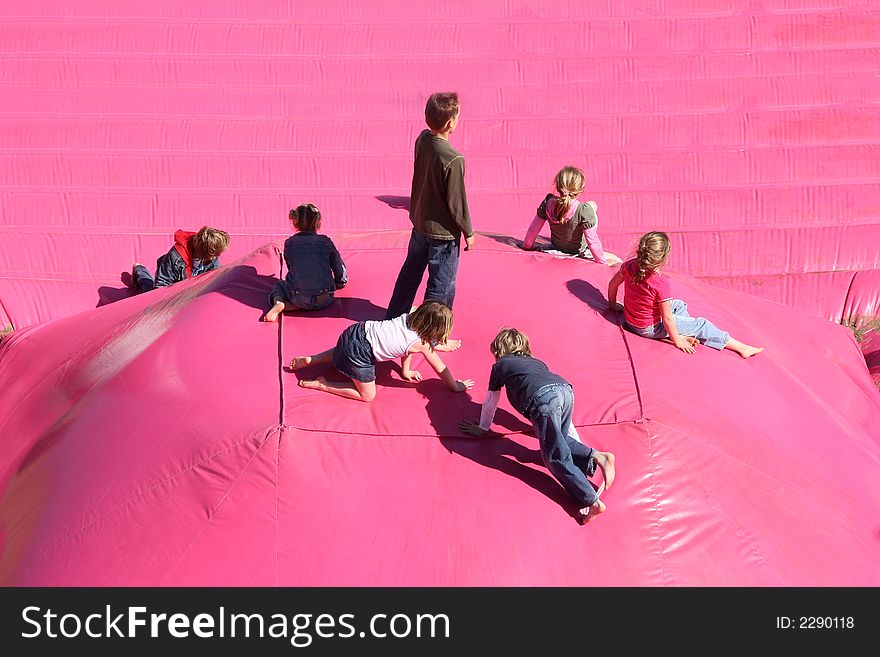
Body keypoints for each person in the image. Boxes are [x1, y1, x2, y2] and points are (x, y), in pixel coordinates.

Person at [459, 328, 616, 525]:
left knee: (553, 456)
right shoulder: (536, 362)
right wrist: (578, 443)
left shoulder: (500, 365)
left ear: (499, 350)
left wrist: (483, 428)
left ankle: (590, 499)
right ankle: (597, 456)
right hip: (565, 390)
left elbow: (491, 400)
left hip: (544, 400)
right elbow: (559, 418)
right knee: (558, 438)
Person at [385, 91, 475, 319]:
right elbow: (457, 202)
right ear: (450, 123)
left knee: (411, 272)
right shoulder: (454, 159)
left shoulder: (423, 139)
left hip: (420, 223)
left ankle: (394, 316)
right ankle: (432, 334)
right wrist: (468, 231)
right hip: (443, 234)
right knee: (441, 285)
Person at [607, 231, 764, 358]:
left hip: (630, 320)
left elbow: (612, 285)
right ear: (663, 259)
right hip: (648, 328)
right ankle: (741, 348)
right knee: (702, 324)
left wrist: (613, 305)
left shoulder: (628, 266)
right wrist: (677, 341)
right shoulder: (660, 283)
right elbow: (667, 319)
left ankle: (684, 331)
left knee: (679, 305)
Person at [291, 300, 474, 402]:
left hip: (356, 331)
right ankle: (321, 384)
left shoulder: (412, 313)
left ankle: (313, 359)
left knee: (345, 350)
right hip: (359, 352)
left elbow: (406, 348)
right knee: (368, 396)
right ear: (434, 330)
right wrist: (456, 386)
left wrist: (406, 371)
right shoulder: (422, 344)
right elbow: (441, 369)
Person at [262, 204, 347, 322]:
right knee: (317, 288)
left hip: (297, 297)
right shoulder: (325, 242)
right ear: (318, 223)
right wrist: (340, 281)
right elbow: (338, 265)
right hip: (324, 299)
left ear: (295, 223)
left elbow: (292, 266)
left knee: (279, 285)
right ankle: (296, 306)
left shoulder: (290, 243)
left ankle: (280, 303)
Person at [521, 165, 621, 266]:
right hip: (577, 251)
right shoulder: (583, 210)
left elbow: (534, 229)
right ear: (580, 190)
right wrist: (601, 261)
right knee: (617, 260)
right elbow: (592, 240)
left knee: (591, 205)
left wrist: (527, 245)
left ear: (558, 185)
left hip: (557, 246)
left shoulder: (548, 202)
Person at [132, 226, 230, 293]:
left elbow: (215, 274)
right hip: (173, 288)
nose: (216, 257)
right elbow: (161, 284)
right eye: (214, 255)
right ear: (205, 252)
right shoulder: (175, 257)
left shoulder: (211, 252)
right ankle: (139, 270)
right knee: (148, 291)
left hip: (189, 289)